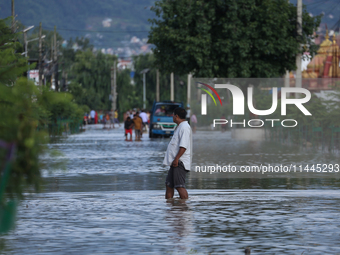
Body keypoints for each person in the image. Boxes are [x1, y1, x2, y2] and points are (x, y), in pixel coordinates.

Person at [163, 107, 192, 199]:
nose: (172, 117)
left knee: (180, 186)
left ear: (176, 116)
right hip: (175, 161)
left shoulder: (185, 127)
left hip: (179, 162)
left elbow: (183, 146)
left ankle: (184, 210)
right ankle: (170, 208)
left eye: (173, 115)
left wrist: (176, 159)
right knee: (169, 185)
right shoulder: (180, 127)